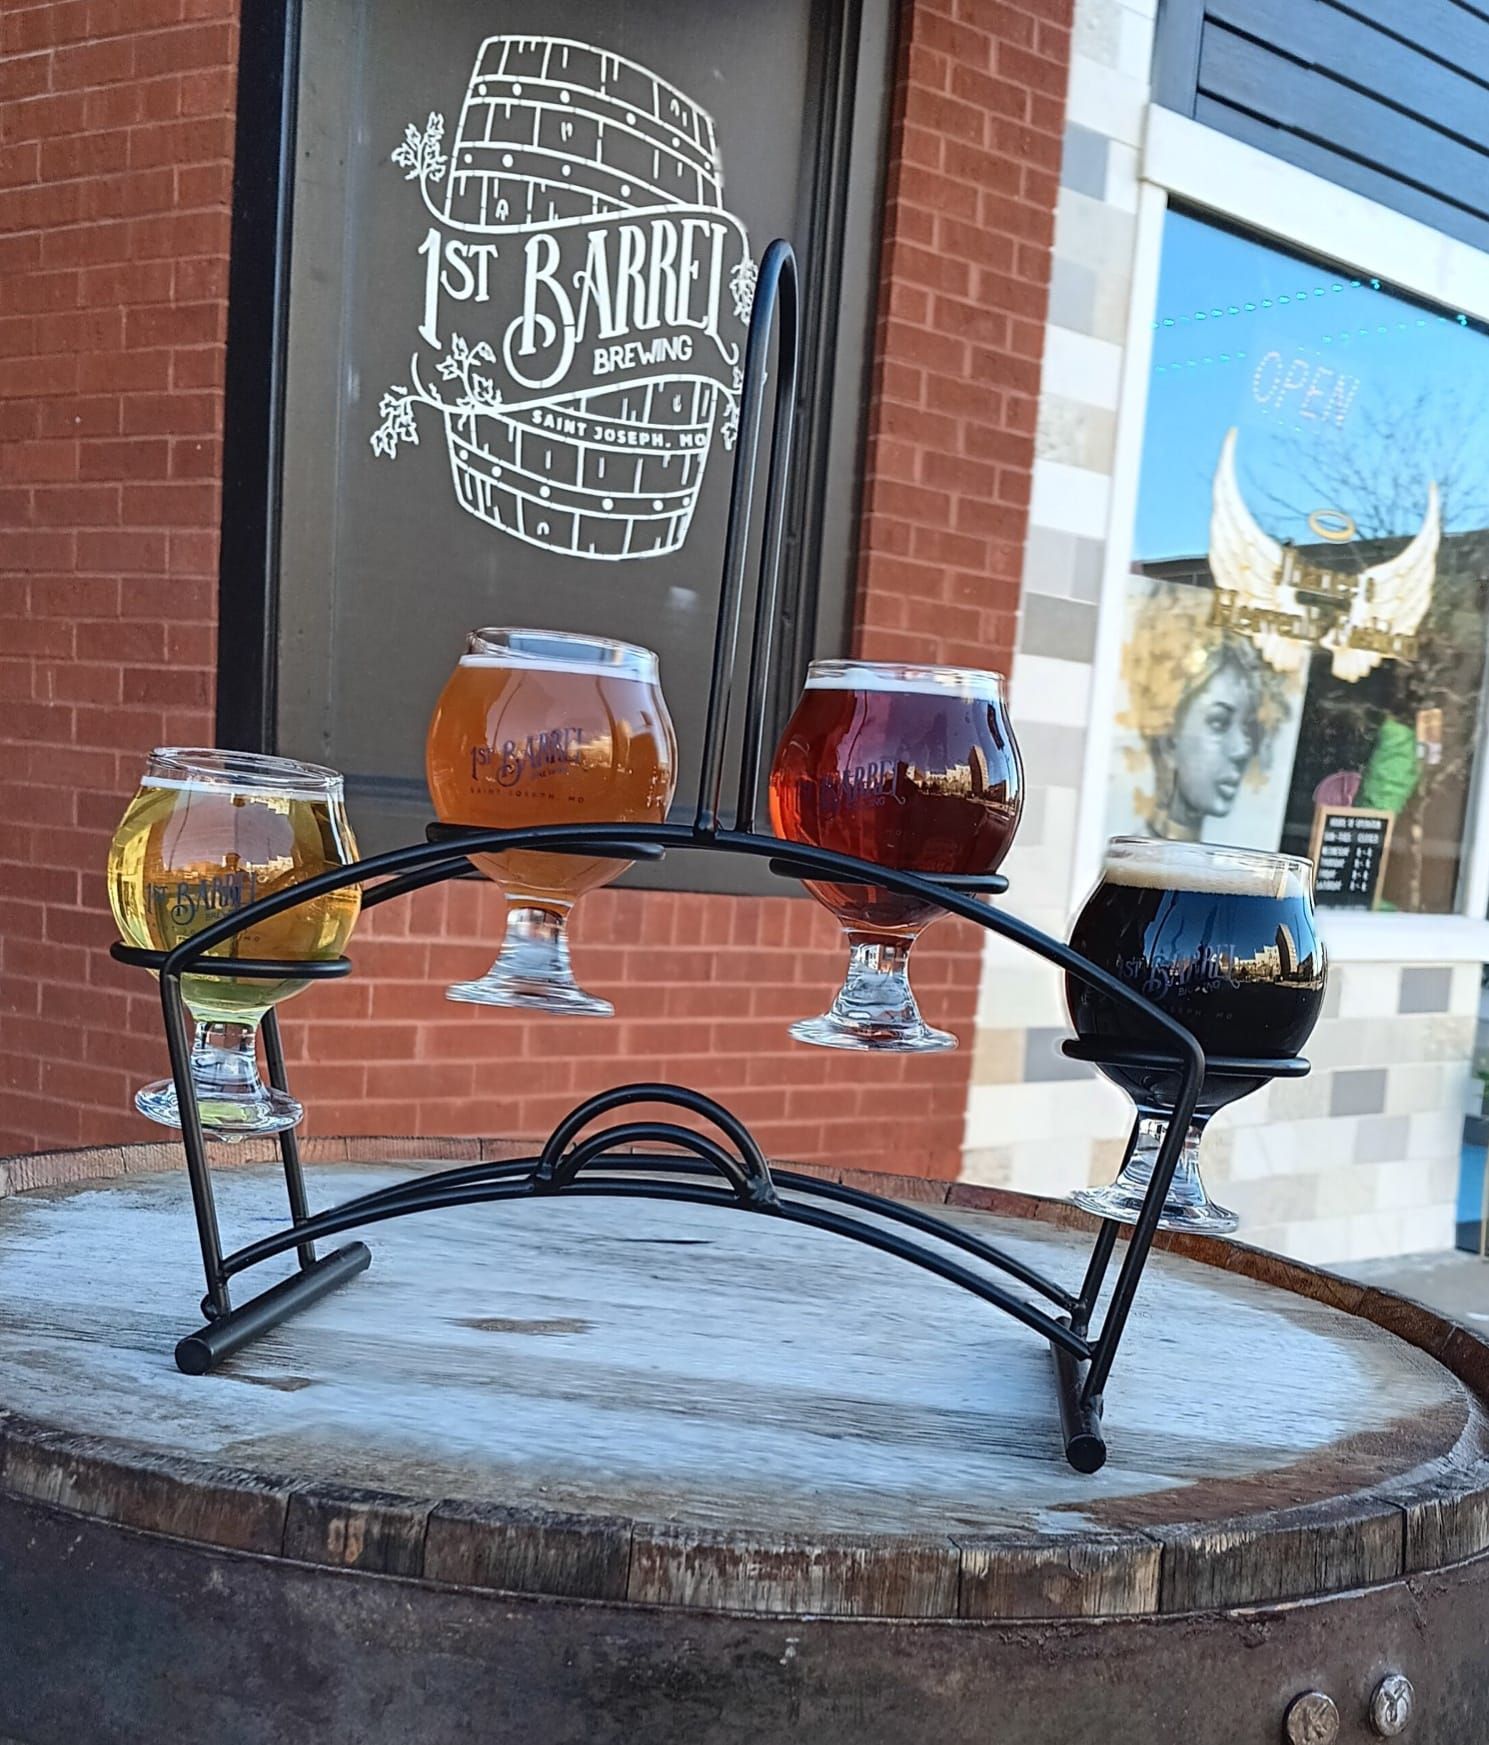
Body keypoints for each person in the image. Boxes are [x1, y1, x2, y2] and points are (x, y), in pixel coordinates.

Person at [1117, 580, 1290, 843]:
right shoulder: (1116, 867)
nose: (1242, 749)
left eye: (1249, 727)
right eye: (1219, 723)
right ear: (1168, 733)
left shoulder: (1230, 871)